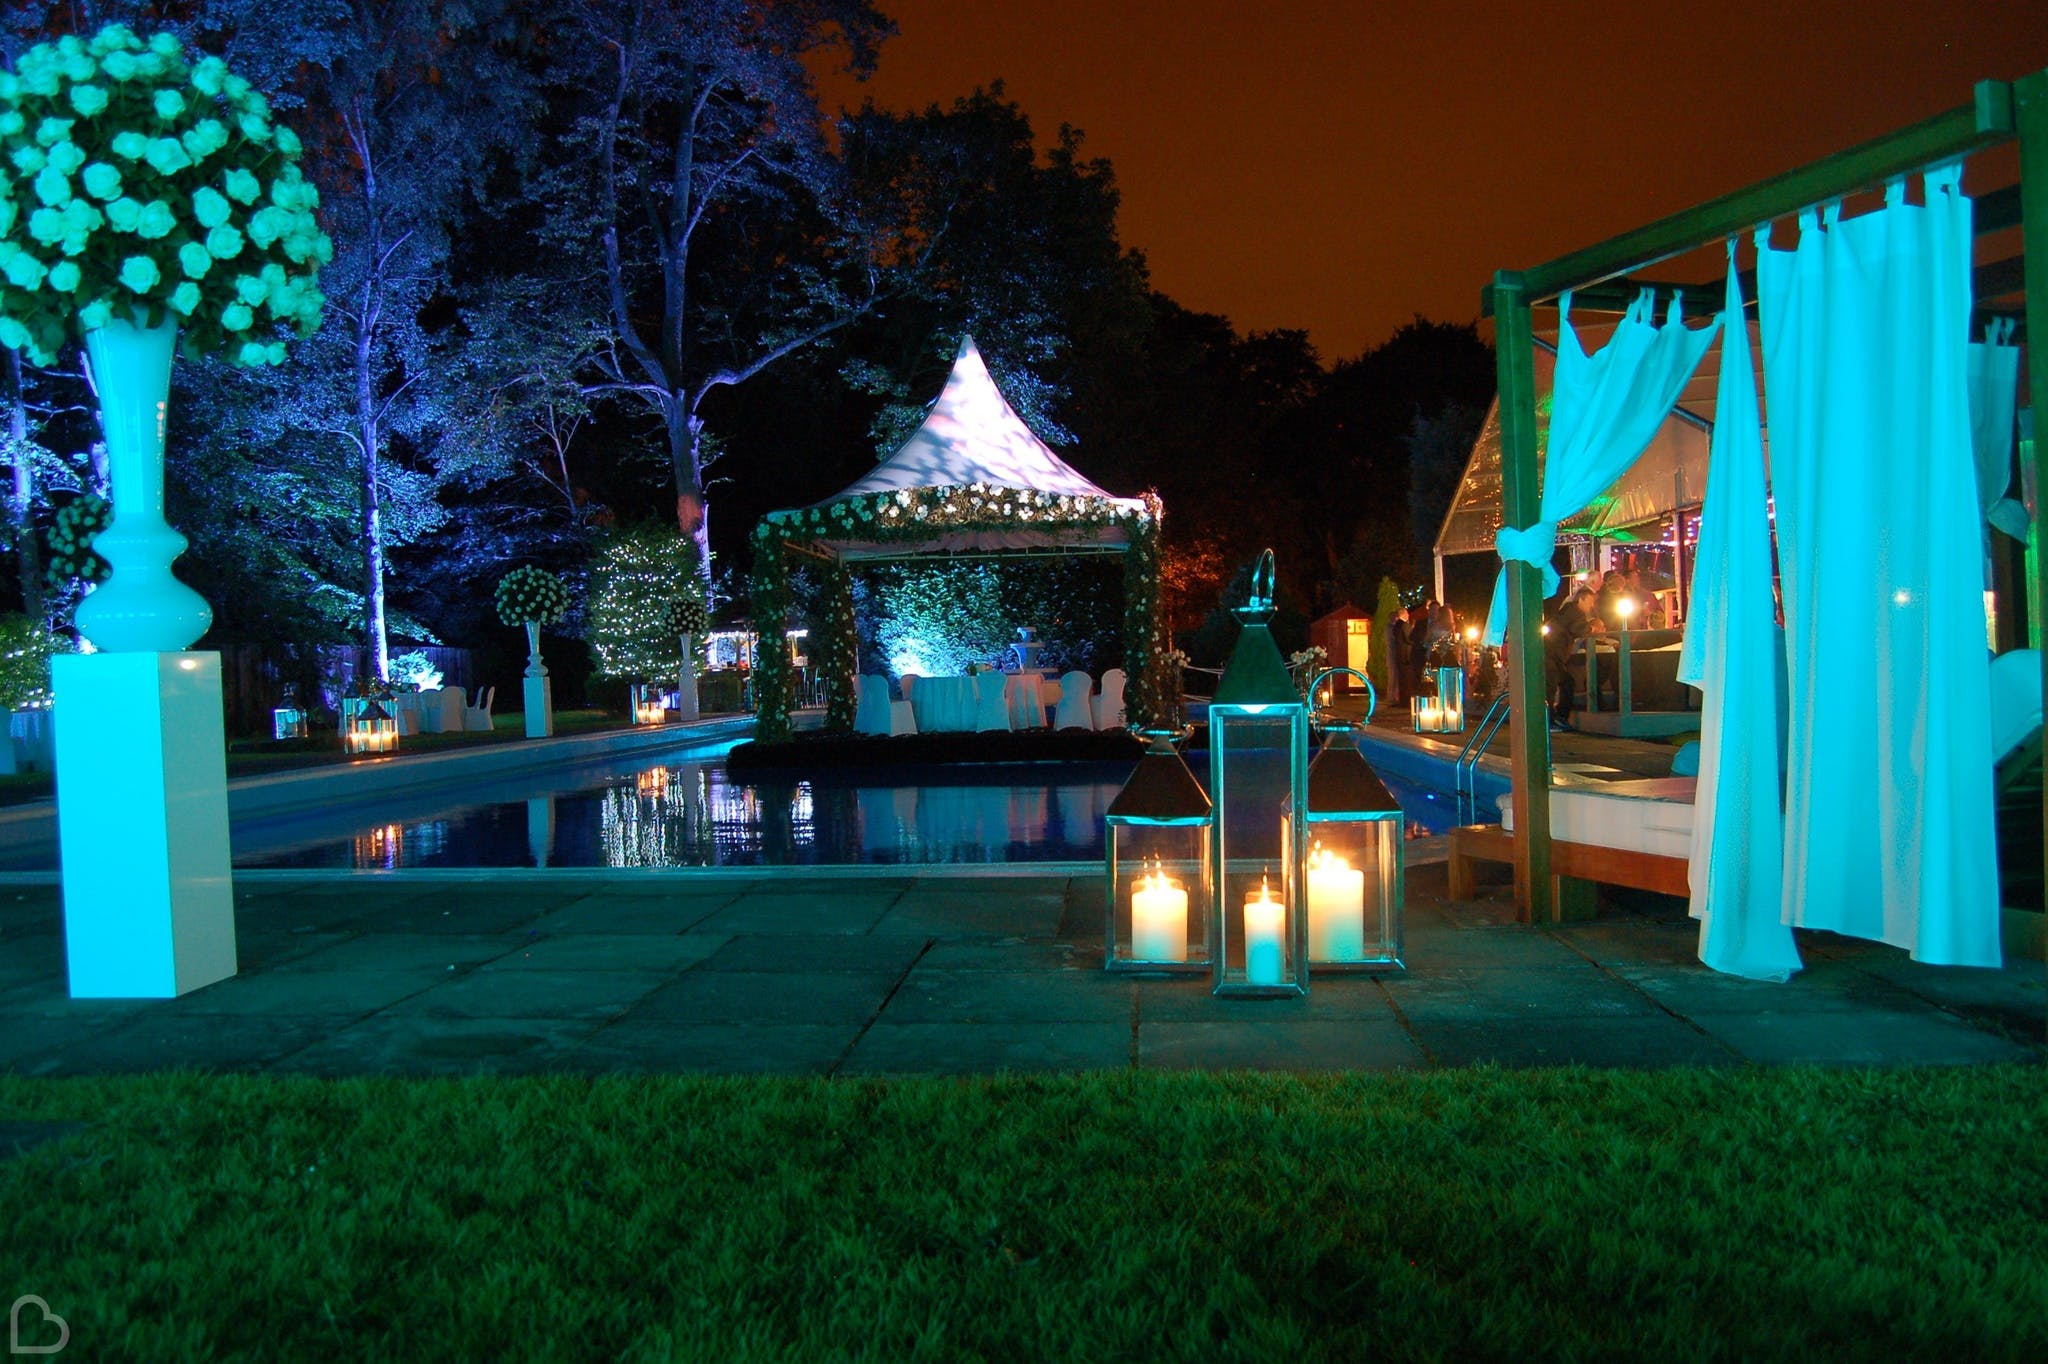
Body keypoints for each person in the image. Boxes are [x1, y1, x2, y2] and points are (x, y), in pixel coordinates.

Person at [1545, 587, 1604, 729]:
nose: (1591, 605)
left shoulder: (1568, 610)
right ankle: (1552, 718)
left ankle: (1556, 716)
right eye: (1590, 601)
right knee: (1555, 686)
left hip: (1553, 653)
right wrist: (1592, 629)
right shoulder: (1574, 612)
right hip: (1552, 653)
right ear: (1581, 599)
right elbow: (1577, 628)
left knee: (1561, 684)